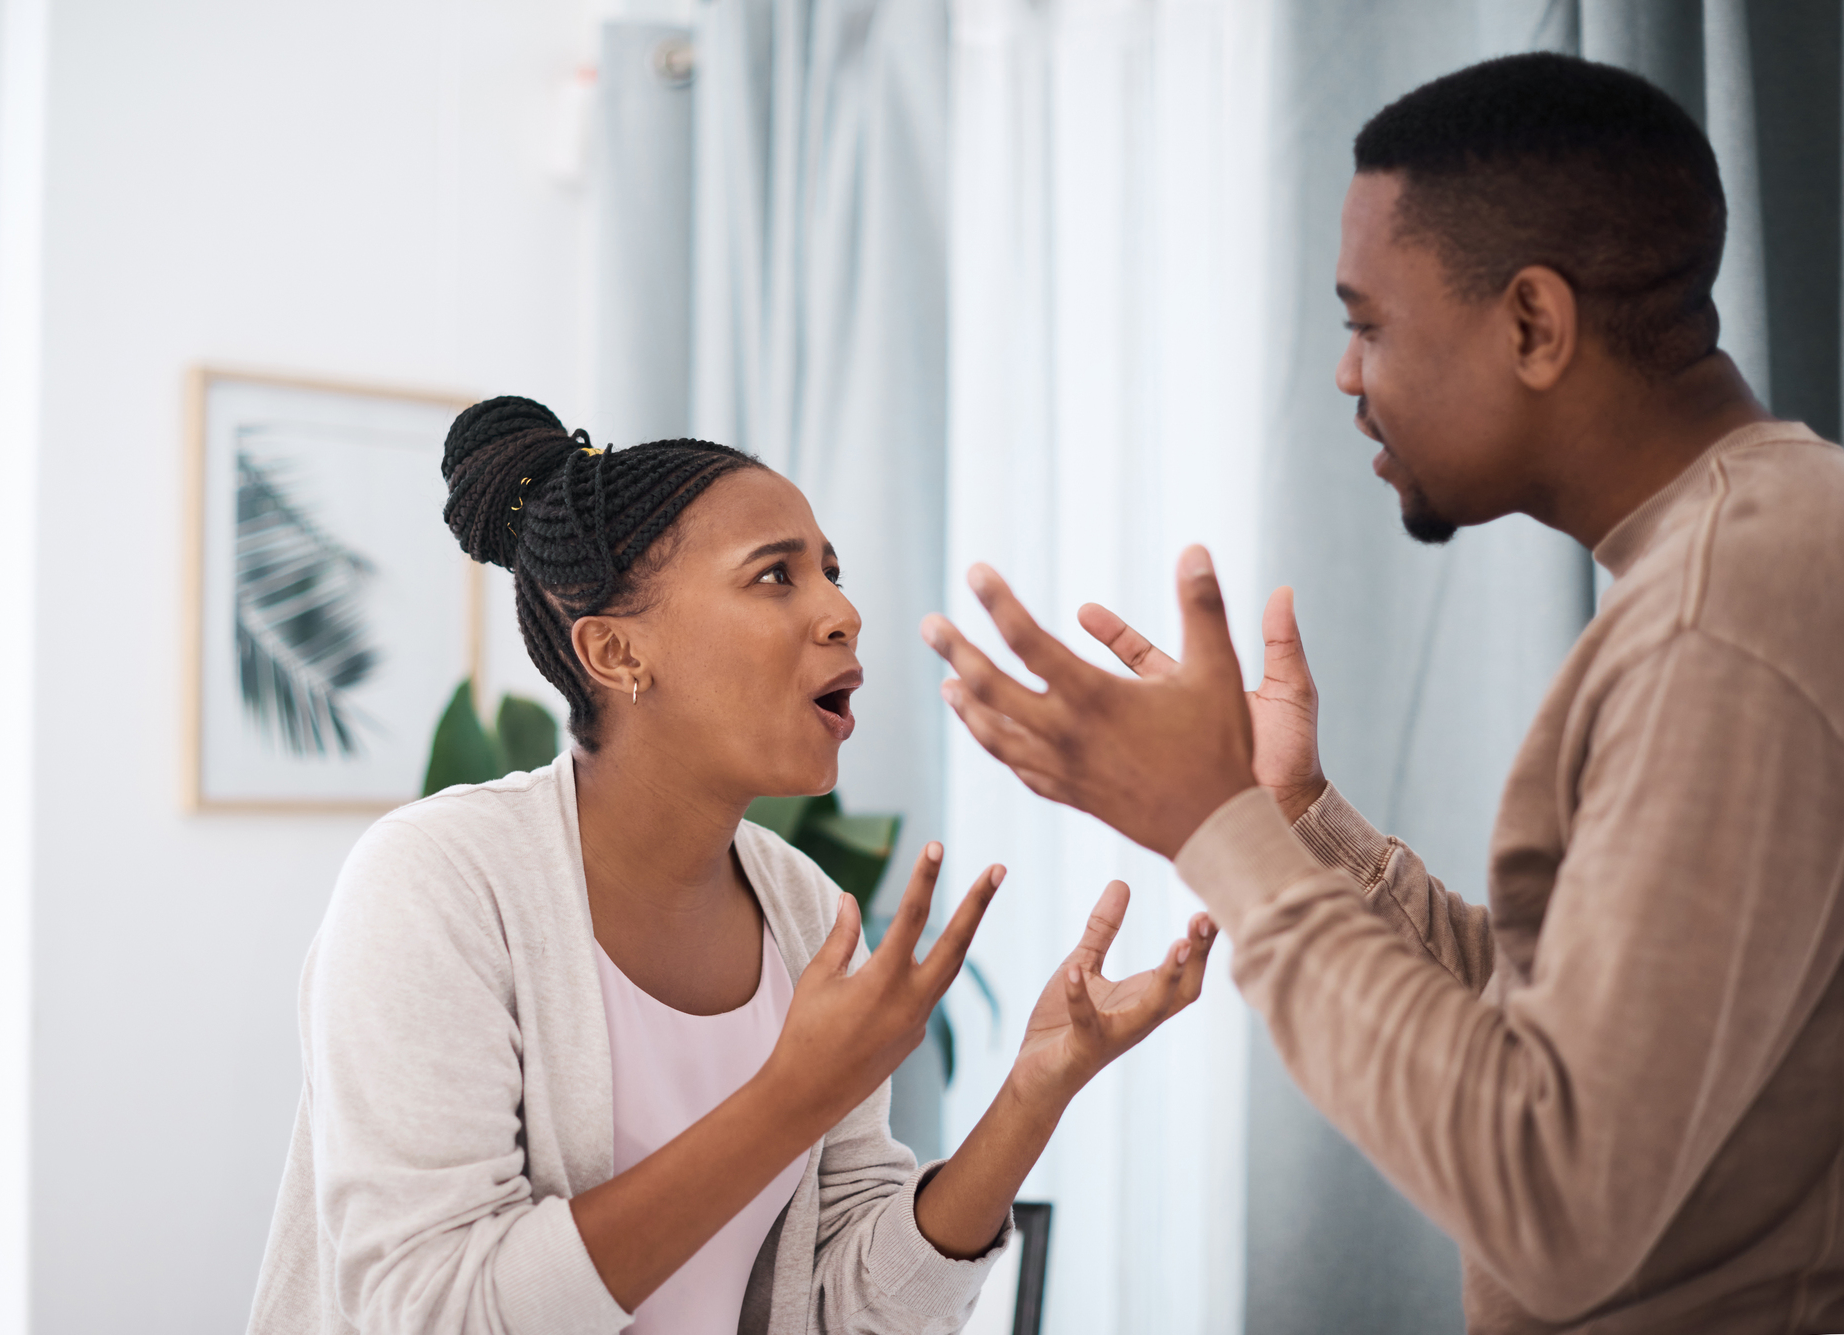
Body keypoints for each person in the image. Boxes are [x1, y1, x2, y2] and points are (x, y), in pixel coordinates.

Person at [923, 52, 1844, 1335]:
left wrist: (1212, 832)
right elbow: (1564, 1041)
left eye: (1367, 324)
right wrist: (1290, 817)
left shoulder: (1720, 618)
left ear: (1532, 323)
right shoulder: (1758, 549)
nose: (1349, 378)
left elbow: (1551, 1193)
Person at [246, 396, 1219, 1335]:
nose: (842, 611)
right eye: (774, 576)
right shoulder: (439, 883)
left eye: (831, 572)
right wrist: (789, 1097)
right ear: (616, 652)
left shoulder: (800, 906)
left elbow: (854, 1307)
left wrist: (1032, 1092)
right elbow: (432, 1311)